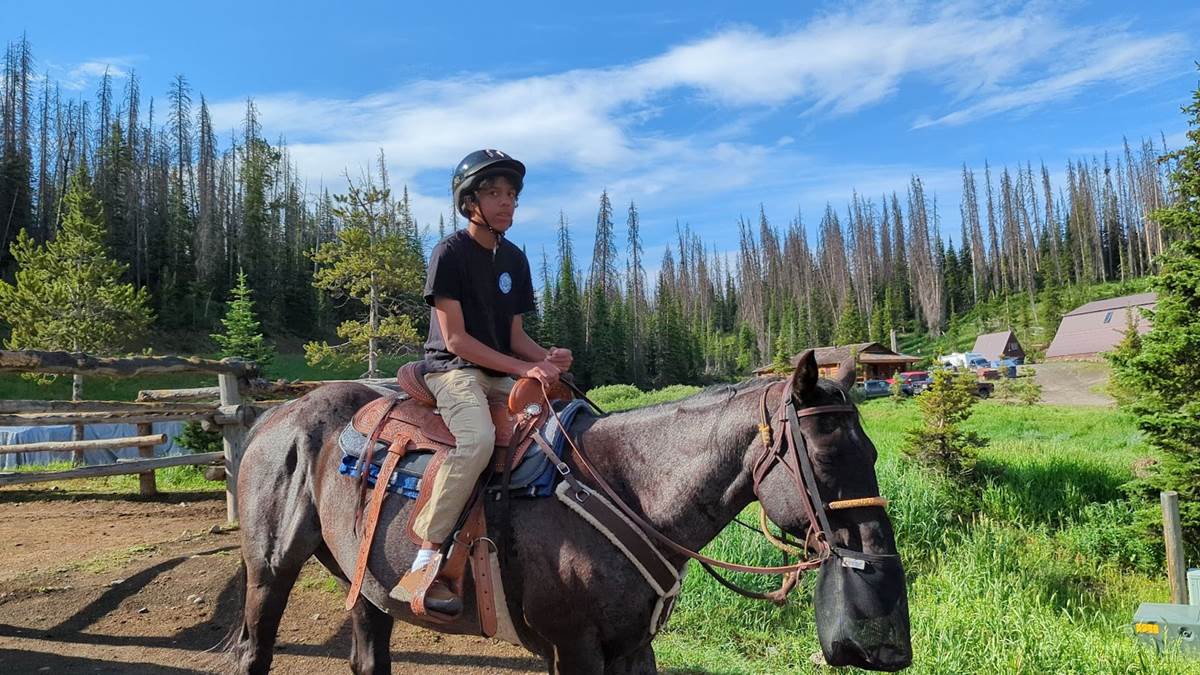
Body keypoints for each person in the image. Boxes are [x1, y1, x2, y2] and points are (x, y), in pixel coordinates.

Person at [391, 149, 572, 614]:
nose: (506, 202)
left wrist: (546, 357)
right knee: (476, 440)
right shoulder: (449, 253)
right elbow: (455, 339)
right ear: (469, 202)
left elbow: (514, 337)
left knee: (566, 422)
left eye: (511, 194)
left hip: (497, 369)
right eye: (493, 193)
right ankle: (428, 553)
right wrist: (521, 368)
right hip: (452, 371)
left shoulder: (513, 258)